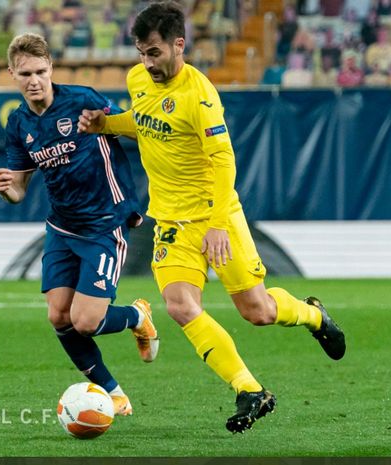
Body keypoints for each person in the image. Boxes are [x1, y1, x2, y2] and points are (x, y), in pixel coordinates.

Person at [77, 1, 345, 433]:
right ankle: (250, 390)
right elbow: (145, 122)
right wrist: (106, 125)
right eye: (142, 53)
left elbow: (223, 161)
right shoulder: (138, 79)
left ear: (178, 45)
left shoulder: (200, 95)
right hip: (169, 221)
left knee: (256, 311)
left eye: (155, 53)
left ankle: (314, 316)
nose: (147, 63)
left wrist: (218, 223)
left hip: (214, 215)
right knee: (180, 306)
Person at [0, 33, 159, 417]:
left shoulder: (82, 99)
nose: (34, 80)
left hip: (105, 223)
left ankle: (137, 316)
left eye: (40, 71)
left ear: (51, 67)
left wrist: (106, 122)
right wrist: (7, 191)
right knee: (58, 316)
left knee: (86, 321)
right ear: (12, 74)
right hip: (62, 228)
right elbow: (19, 188)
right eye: (25, 73)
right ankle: (114, 393)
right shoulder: (18, 124)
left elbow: (130, 126)